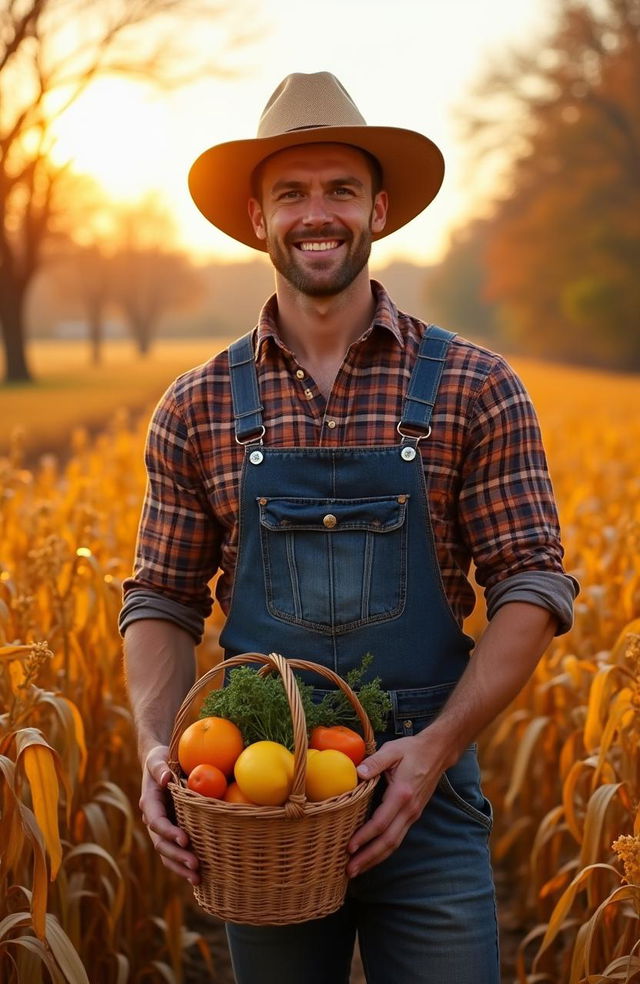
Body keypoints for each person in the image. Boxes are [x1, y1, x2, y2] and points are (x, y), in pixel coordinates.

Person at [120, 72, 578, 983]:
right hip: (256, 793)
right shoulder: (198, 405)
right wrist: (157, 749)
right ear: (258, 217)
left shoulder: (474, 386)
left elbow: (533, 580)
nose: (316, 213)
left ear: (381, 206)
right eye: (291, 192)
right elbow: (161, 600)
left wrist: (434, 751)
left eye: (340, 189)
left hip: (430, 791)